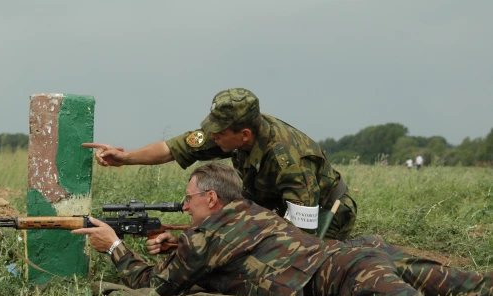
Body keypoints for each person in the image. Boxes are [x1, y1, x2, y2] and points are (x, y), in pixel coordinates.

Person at [73, 163, 493, 296]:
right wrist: (180, 242)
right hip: (362, 252)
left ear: (212, 200)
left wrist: (113, 248)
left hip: (346, 274)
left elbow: (160, 288)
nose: (185, 206)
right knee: (470, 282)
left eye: (189, 199)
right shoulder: (250, 210)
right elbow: (234, 251)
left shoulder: (205, 238)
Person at [82, 88, 357, 241]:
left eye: (219, 133)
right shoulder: (229, 133)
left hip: (322, 212)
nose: (212, 137)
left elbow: (302, 229)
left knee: (278, 257)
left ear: (244, 134)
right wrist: (124, 157)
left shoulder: (288, 159)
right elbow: (171, 149)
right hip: (274, 204)